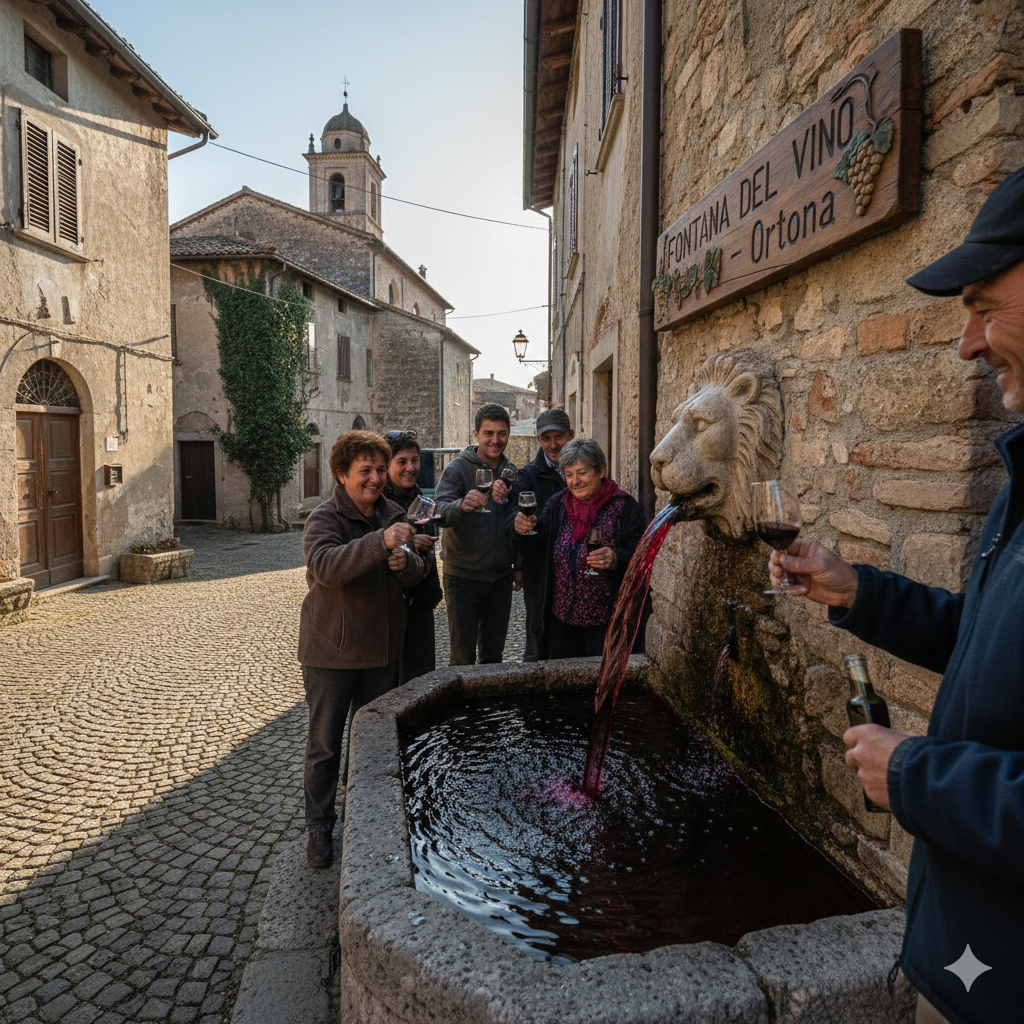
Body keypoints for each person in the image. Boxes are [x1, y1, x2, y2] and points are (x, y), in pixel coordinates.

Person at [769, 166, 1024, 1024]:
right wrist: (856, 590)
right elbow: (986, 641)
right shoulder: (1020, 485)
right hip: (969, 960)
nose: (967, 344)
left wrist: (915, 774)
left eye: (984, 305)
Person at [298, 430, 426, 869]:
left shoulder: (393, 512)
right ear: (341, 474)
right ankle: (319, 827)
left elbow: (418, 573)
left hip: (381, 654)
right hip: (330, 655)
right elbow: (325, 567)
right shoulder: (324, 518)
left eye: (377, 470)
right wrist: (381, 543)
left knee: (372, 746)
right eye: (364, 471)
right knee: (325, 747)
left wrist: (407, 562)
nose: (373, 479)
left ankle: (367, 819)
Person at [514, 437, 647, 658]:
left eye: (582, 472)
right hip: (562, 620)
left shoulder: (625, 508)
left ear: (601, 470)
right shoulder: (557, 504)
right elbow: (537, 544)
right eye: (569, 474)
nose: (575, 481)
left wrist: (616, 558)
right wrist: (522, 529)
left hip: (606, 622)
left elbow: (643, 556)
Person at [433, 403, 521, 664]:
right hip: (463, 578)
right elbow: (437, 512)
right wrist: (460, 505)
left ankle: (489, 707)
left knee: (493, 656)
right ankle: (462, 707)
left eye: (502, 433)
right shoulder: (458, 469)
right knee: (462, 657)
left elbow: (515, 522)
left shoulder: (511, 472)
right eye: (488, 433)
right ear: (476, 434)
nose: (496, 440)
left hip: (500, 579)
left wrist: (518, 565)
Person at [508, 408, 575, 661]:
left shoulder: (581, 469)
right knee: (536, 636)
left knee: (565, 637)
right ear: (538, 440)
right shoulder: (527, 476)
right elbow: (515, 525)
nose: (553, 444)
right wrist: (518, 566)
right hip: (540, 569)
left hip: (572, 569)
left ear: (569, 435)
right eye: (546, 439)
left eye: (558, 437)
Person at [383, 429, 443, 683]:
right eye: (402, 462)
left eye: (415, 460)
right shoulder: (376, 503)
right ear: (386, 466)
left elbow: (429, 558)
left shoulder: (422, 502)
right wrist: (408, 544)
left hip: (420, 605)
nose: (410, 467)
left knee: (420, 682)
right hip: (386, 611)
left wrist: (425, 551)